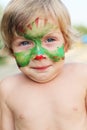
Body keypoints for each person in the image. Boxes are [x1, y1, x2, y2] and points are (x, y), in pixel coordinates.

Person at [0, 0, 87, 130]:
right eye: (24, 43)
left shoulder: (82, 76)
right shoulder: (7, 89)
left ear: (66, 42)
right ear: (12, 50)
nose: (39, 55)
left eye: (50, 40)